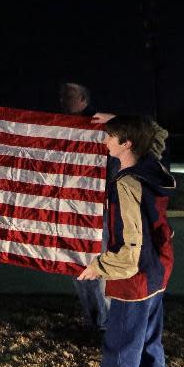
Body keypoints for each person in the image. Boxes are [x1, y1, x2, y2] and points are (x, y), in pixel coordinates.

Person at [77, 115, 180, 367]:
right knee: (150, 348)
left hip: (134, 281)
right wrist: (121, 118)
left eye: (111, 136)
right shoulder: (153, 167)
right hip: (158, 274)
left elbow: (130, 247)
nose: (105, 141)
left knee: (121, 352)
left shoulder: (126, 183)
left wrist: (98, 267)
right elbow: (157, 133)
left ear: (127, 144)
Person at [59, 82, 111, 331]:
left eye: (70, 96)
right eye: (62, 96)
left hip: (95, 206)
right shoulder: (56, 127)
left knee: (98, 262)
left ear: (84, 100)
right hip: (71, 207)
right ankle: (92, 319)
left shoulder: (99, 126)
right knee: (77, 265)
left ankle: (106, 320)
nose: (65, 100)